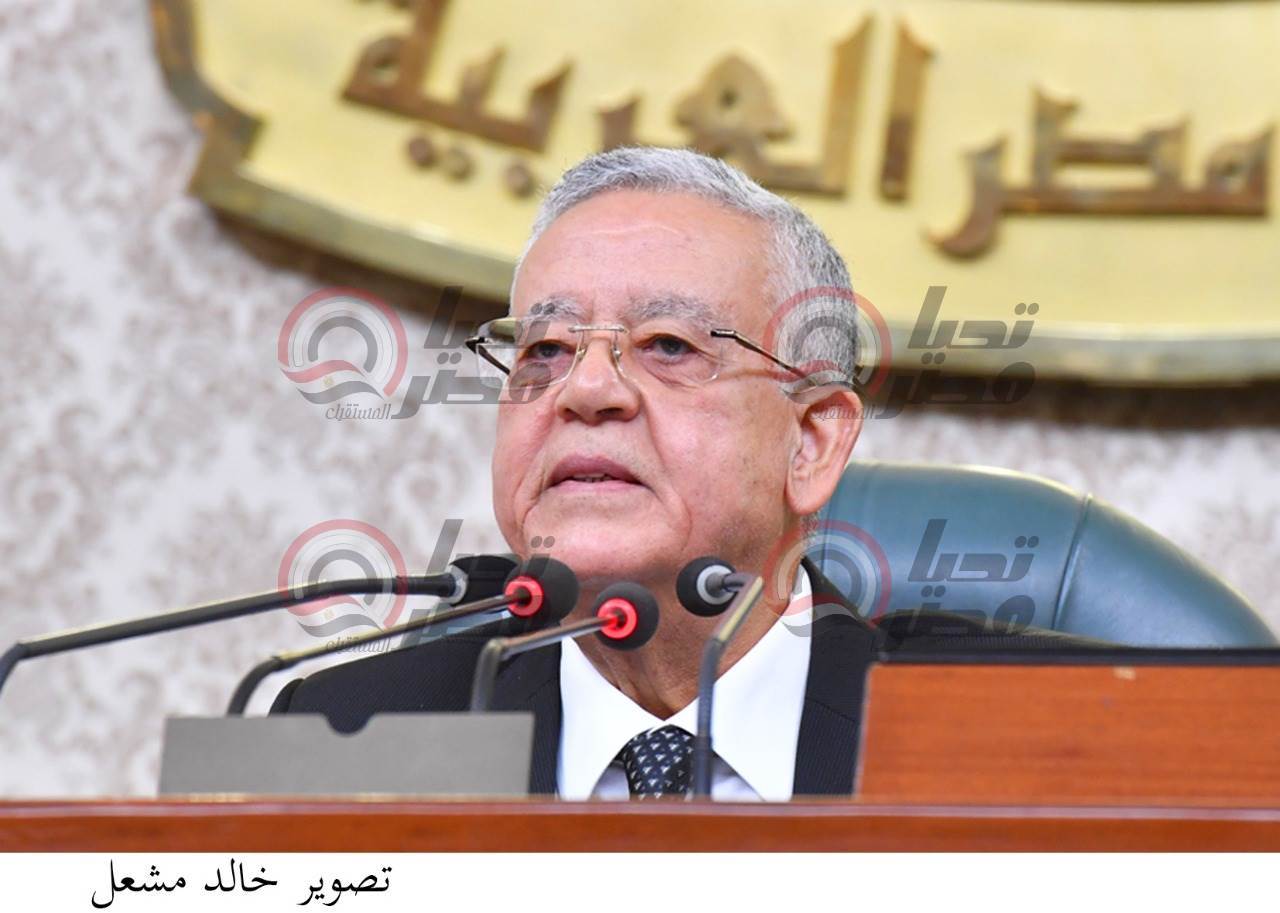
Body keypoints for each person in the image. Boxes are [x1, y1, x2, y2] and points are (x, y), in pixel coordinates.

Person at [273, 147, 967, 798]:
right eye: (545, 350)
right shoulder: (345, 736)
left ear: (811, 441)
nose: (585, 389)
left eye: (668, 345)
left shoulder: (988, 741)